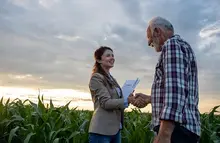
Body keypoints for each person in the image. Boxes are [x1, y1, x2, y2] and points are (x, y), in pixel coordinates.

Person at [132, 16, 201, 143]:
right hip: (180, 129)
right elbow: (180, 91)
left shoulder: (172, 45)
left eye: (150, 40)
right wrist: (149, 98)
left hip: (177, 131)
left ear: (157, 32)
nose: (150, 44)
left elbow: (175, 91)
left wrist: (164, 134)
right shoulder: (181, 46)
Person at [88, 46, 134, 143]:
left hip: (115, 130)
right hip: (101, 131)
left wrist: (128, 98)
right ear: (99, 60)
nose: (112, 58)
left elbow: (118, 104)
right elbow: (106, 103)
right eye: (108, 55)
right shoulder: (96, 78)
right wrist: (126, 100)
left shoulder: (113, 79)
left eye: (113, 55)